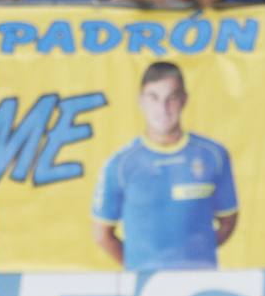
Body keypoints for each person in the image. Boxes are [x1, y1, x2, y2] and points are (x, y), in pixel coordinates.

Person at [91, 62, 238, 272]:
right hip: (144, 285)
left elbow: (228, 221)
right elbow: (102, 235)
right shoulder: (120, 164)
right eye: (154, 98)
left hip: (201, 281)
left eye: (172, 98)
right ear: (141, 101)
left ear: (184, 100)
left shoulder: (213, 155)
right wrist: (140, 267)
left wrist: (195, 256)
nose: (163, 108)